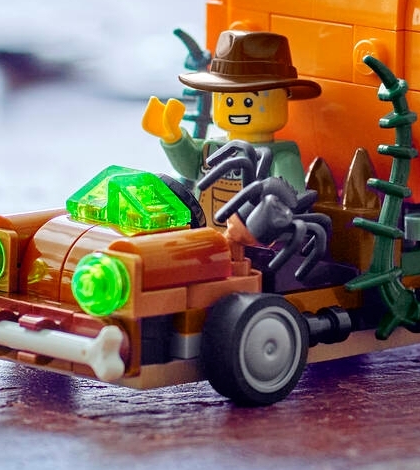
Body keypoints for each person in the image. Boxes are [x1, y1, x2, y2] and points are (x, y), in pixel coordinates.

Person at [140, 31, 347, 290]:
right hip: (206, 237)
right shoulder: (214, 147)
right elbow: (191, 167)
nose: (237, 108)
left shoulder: (281, 155)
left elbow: (291, 199)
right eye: (228, 99)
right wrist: (173, 137)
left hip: (255, 249)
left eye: (249, 101)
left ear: (282, 98)